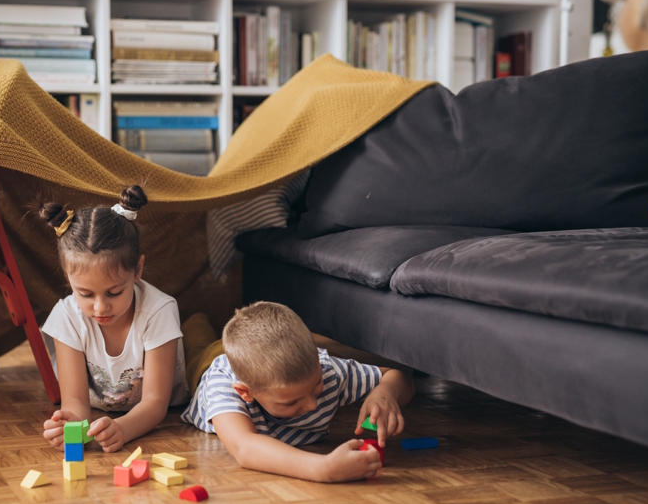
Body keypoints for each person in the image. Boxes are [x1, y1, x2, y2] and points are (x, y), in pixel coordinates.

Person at [181, 302, 415, 483]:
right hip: (208, 363)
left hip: (261, 357)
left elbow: (398, 376)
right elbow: (245, 448)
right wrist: (323, 468)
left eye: (316, 387)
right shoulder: (222, 386)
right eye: (291, 402)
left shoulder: (329, 371)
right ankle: (195, 322)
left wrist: (385, 394)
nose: (313, 405)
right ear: (246, 393)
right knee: (197, 347)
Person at [38, 186, 189, 453]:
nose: (100, 307)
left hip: (160, 409)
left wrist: (123, 429)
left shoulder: (159, 310)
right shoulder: (67, 315)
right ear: (67, 278)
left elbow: (155, 402)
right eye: (84, 293)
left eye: (115, 292)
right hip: (102, 408)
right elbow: (74, 401)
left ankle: (197, 327)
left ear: (138, 269)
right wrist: (72, 425)